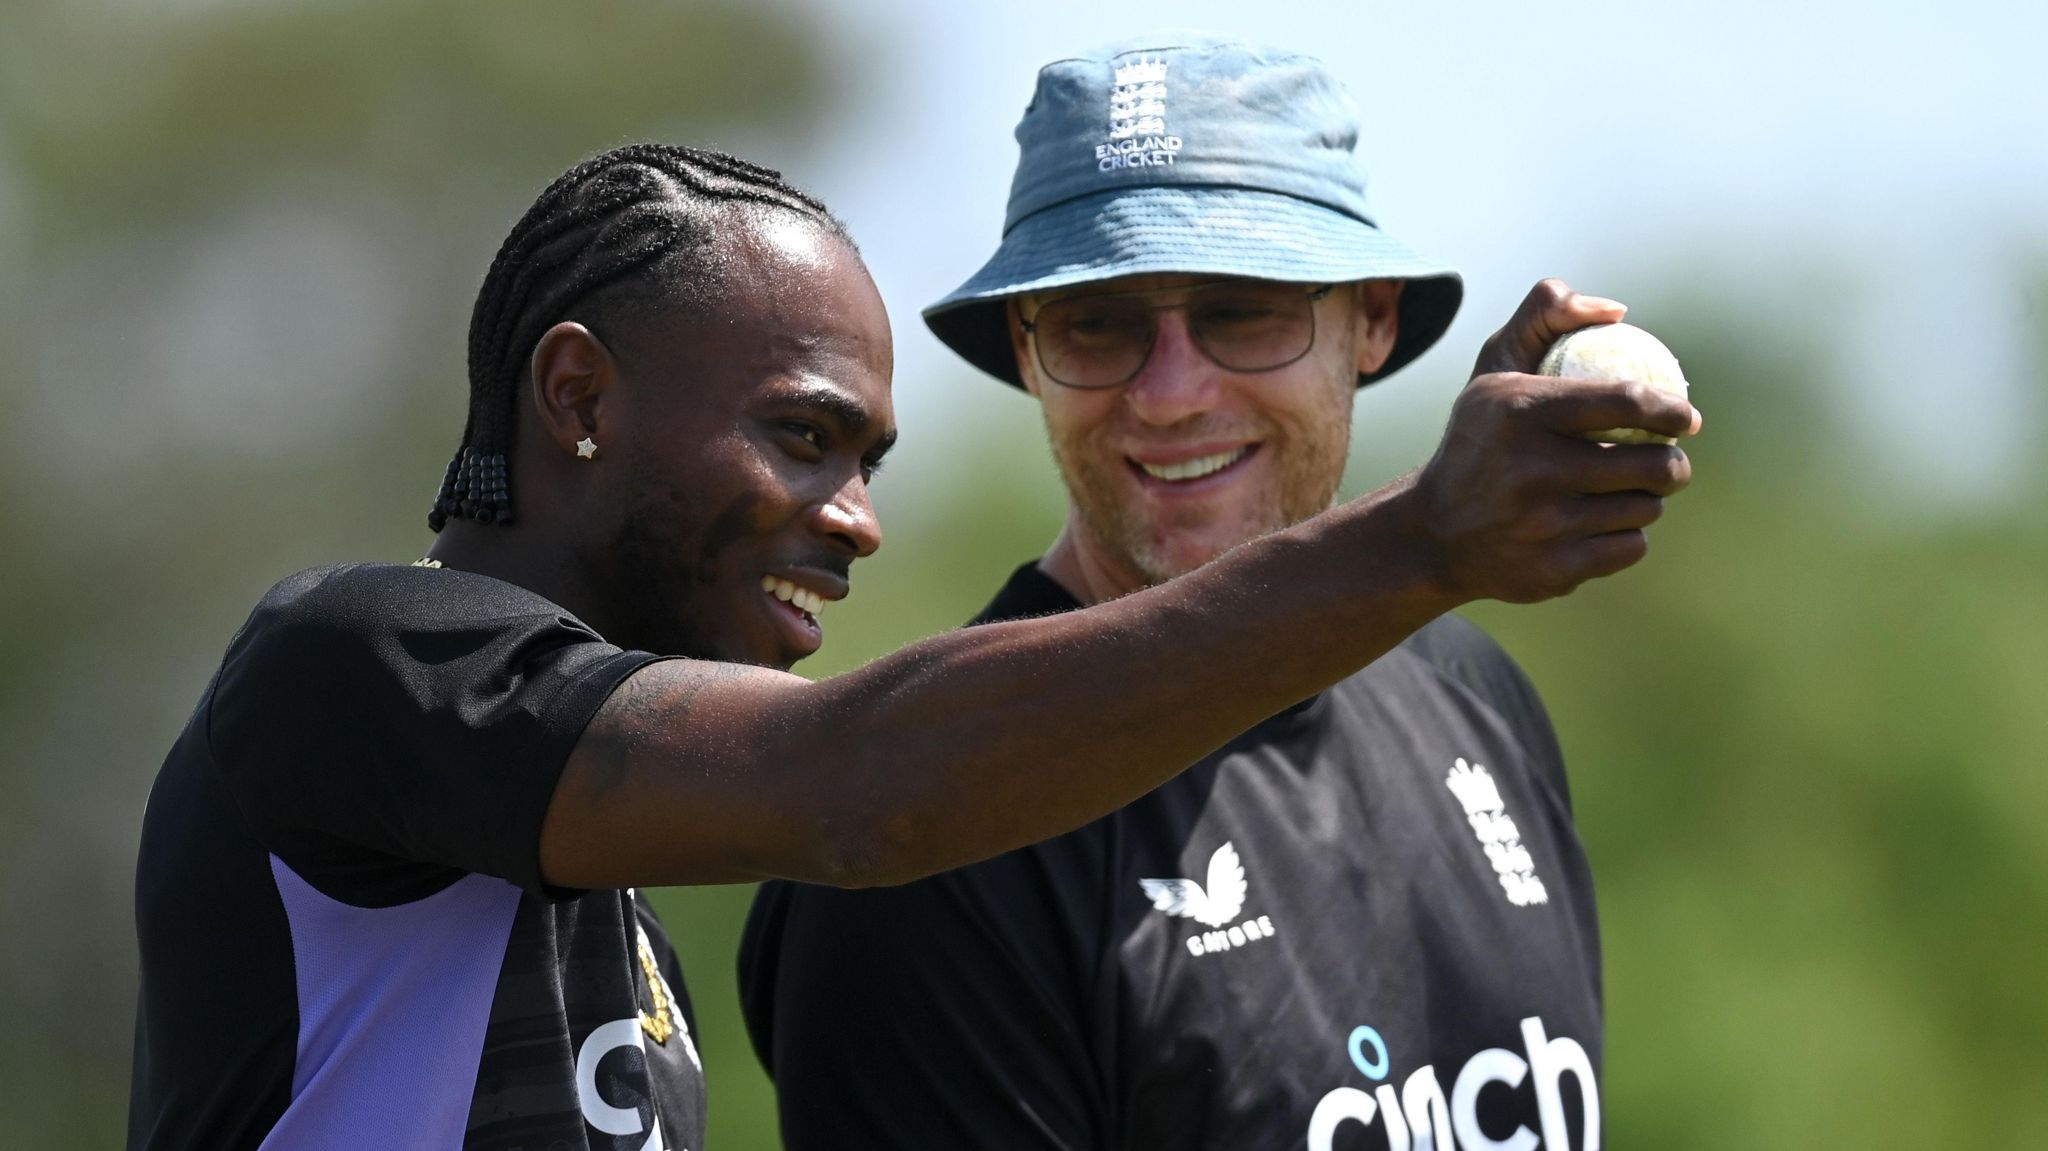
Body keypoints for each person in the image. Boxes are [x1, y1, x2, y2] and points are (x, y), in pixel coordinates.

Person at [129, 129, 1692, 1150]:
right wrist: (1422, 538)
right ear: (583, 399)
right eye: (803, 437)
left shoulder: (600, 895)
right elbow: (853, 789)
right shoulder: (348, 670)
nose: (857, 518)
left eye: (868, 459)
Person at [741, 35, 1677, 1151]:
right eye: (1099, 321)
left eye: (1242, 309)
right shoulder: (930, 841)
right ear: (1026, 349)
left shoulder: (1474, 697)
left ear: (1370, 318)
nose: (1173, 392)